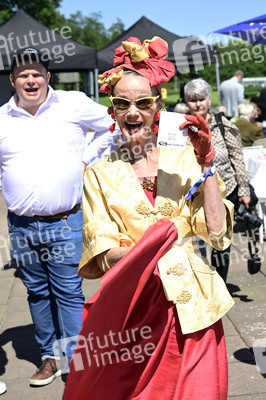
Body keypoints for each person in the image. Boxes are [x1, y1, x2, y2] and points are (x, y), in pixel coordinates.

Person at [63, 36, 234, 400]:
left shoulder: (186, 161)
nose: (133, 112)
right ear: (112, 111)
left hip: (195, 309)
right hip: (136, 312)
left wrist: (207, 166)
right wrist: (153, 246)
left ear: (157, 107)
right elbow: (102, 252)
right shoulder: (98, 175)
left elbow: (218, 234)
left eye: (142, 102)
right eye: (122, 103)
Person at [0, 47, 120, 387]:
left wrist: (87, 158)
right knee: (37, 293)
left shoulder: (73, 103)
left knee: (68, 292)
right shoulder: (1, 119)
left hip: (66, 222)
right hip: (21, 226)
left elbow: (113, 125)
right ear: (12, 81)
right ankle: (49, 359)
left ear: (47, 77)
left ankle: (78, 363)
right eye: (23, 75)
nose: (31, 80)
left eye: (36, 73)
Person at [184, 78, 251, 282]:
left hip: (226, 191)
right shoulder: (181, 127)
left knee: (222, 242)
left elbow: (237, 157)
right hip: (194, 194)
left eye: (201, 99)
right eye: (192, 100)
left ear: (209, 100)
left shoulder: (222, 125)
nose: (197, 104)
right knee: (196, 243)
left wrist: (244, 190)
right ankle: (204, 283)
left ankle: (221, 283)